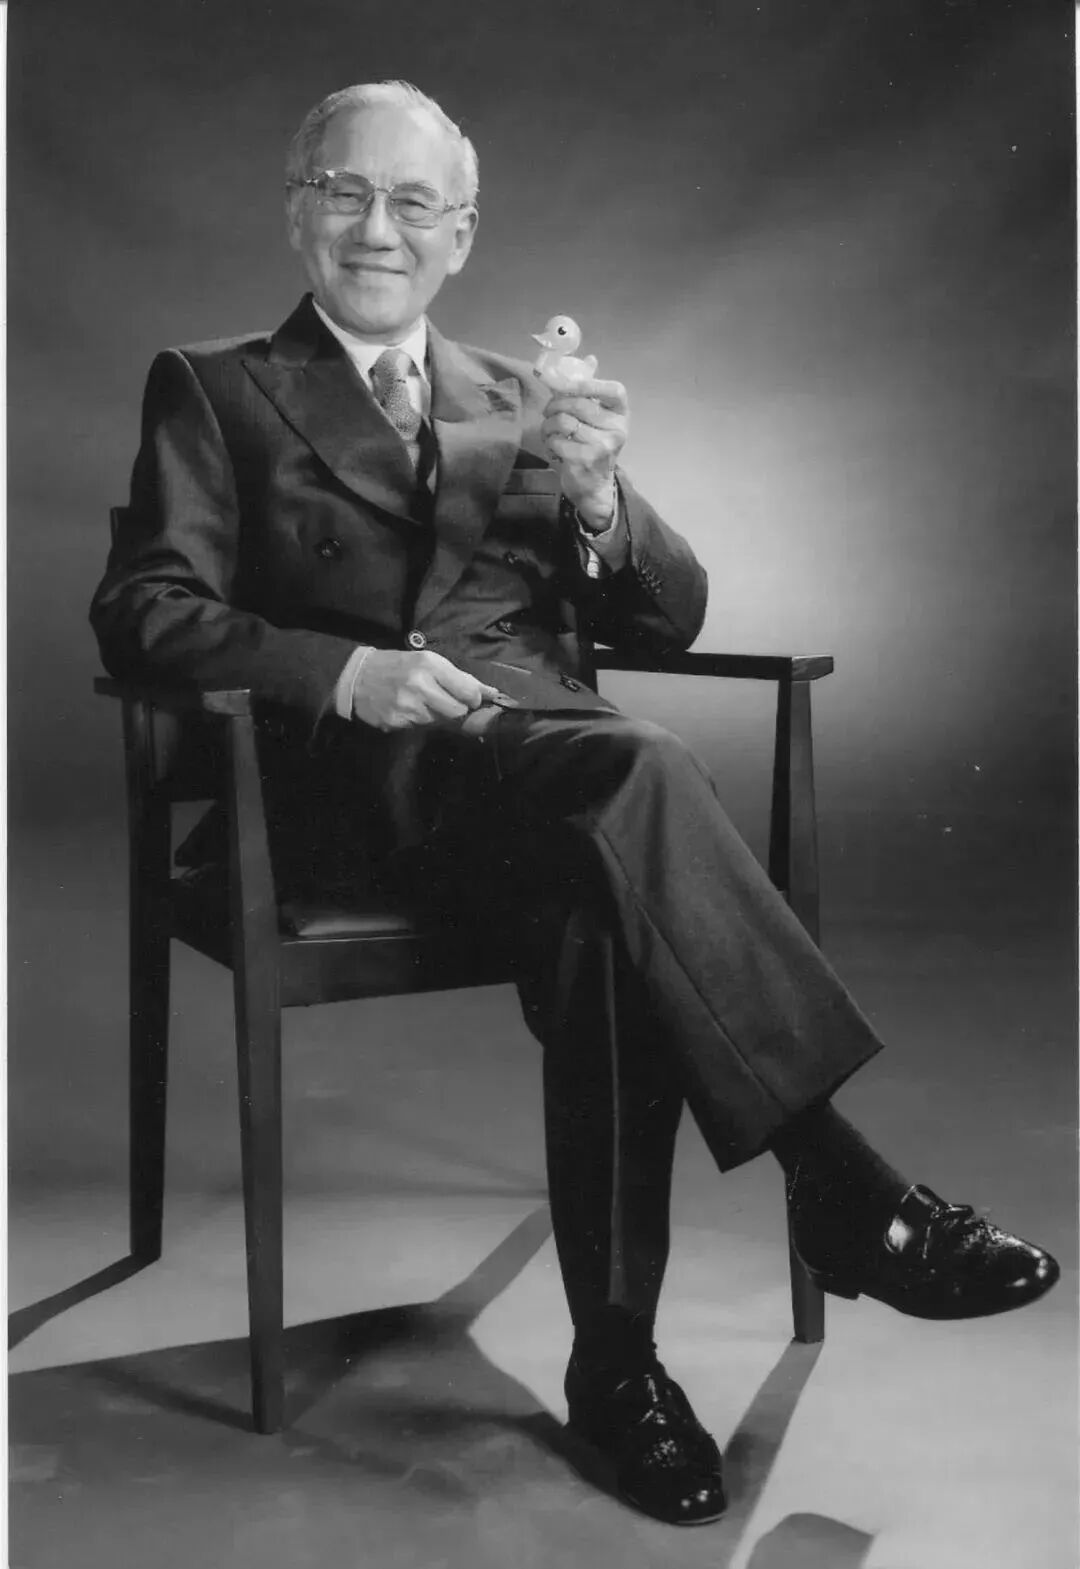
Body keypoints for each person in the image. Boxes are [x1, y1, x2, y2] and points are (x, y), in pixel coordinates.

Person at [89, 80, 1059, 1527]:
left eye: (415, 202)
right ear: (298, 211)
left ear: (462, 233)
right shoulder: (214, 383)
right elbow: (143, 610)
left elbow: (672, 615)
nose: (377, 228)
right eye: (346, 193)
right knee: (641, 772)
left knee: (605, 895)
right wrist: (345, 672)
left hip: (546, 793)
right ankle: (843, 1187)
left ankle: (617, 1367)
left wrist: (604, 499)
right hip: (347, 801)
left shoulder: (517, 397)